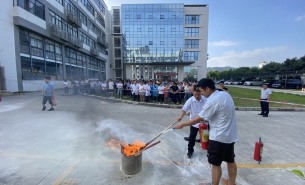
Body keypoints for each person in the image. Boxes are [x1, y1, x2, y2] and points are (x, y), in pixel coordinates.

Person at [176, 78, 238, 185]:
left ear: (208, 89)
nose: (202, 94)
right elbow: (218, 114)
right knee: (230, 161)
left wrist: (183, 124)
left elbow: (199, 119)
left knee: (215, 165)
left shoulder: (212, 101)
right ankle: (231, 183)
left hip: (218, 138)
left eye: (202, 91)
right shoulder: (225, 95)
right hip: (230, 136)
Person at [176, 85, 207, 158]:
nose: (196, 96)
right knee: (192, 137)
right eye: (195, 94)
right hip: (193, 122)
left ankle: (207, 150)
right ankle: (190, 151)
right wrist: (180, 117)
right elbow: (184, 109)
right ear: (193, 93)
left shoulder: (205, 100)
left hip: (204, 122)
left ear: (201, 93)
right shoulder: (190, 100)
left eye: (198, 94)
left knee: (205, 137)